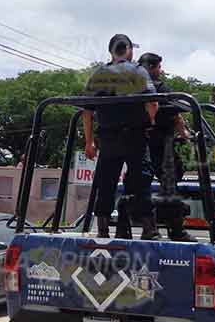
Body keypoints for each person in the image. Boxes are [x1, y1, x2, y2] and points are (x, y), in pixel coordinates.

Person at [82, 34, 158, 239]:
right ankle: (148, 228)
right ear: (130, 50)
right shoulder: (138, 71)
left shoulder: (98, 74)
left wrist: (89, 142)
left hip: (108, 139)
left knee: (106, 182)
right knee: (142, 181)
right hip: (135, 136)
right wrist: (150, 123)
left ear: (111, 52)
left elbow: (87, 111)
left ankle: (103, 229)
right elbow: (153, 102)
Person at [137, 51, 193, 241]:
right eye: (159, 67)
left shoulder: (131, 89)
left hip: (138, 146)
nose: (161, 70)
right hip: (161, 145)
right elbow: (176, 115)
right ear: (151, 68)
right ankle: (175, 229)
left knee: (138, 187)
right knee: (170, 184)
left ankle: (145, 227)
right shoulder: (160, 88)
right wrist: (184, 134)